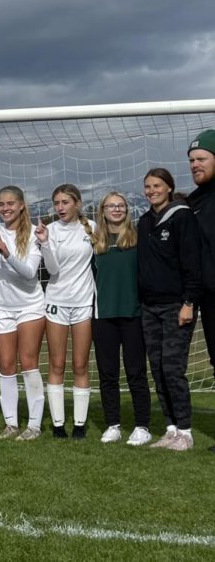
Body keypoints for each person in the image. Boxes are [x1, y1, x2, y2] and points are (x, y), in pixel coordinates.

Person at [138, 168, 201, 451]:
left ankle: (186, 432)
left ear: (169, 188)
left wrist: (189, 302)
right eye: (148, 187)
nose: (152, 190)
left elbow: (192, 263)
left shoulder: (182, 216)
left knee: (173, 369)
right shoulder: (143, 222)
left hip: (176, 305)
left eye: (157, 186)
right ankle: (170, 428)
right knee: (159, 369)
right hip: (149, 307)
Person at [35, 184, 96, 439]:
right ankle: (59, 425)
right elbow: (53, 270)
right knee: (57, 364)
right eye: (56, 203)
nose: (60, 208)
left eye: (65, 202)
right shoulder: (48, 231)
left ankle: (79, 425)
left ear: (77, 203)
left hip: (83, 303)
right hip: (56, 303)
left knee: (80, 364)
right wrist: (46, 243)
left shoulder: (92, 227)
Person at [91, 192, 151, 445]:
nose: (116, 209)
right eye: (111, 206)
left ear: (127, 210)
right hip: (103, 316)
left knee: (136, 372)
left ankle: (142, 426)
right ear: (102, 211)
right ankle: (113, 424)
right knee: (108, 373)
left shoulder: (138, 239)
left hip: (133, 315)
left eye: (121, 206)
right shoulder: (94, 242)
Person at [0, 186, 46, 441]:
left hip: (30, 306)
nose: (5, 208)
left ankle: (33, 425)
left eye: (10, 203)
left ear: (22, 205)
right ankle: (11, 423)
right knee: (6, 365)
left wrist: (7, 254)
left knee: (28, 363)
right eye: (1, 204)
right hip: (2, 307)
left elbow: (29, 272)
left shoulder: (35, 233)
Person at [186, 129, 215, 452]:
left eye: (202, 158)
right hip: (208, 296)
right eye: (192, 160)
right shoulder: (193, 201)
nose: (195, 164)